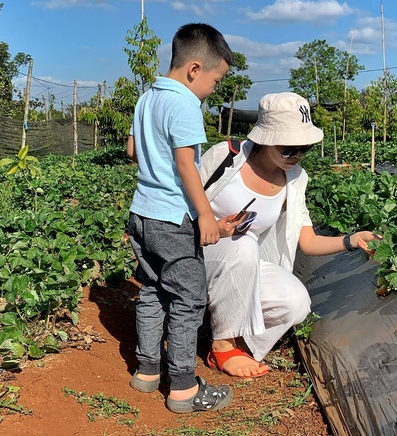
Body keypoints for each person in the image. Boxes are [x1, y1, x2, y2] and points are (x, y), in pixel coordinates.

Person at [200, 92, 382, 378]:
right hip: (200, 257)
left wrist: (352, 240)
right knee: (244, 243)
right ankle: (222, 345)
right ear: (266, 138)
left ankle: (237, 337)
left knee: (296, 302)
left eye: (304, 148)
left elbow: (306, 241)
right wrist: (213, 227)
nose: (296, 155)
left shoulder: (295, 178)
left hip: (244, 266)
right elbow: (182, 205)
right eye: (288, 149)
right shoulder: (226, 157)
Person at [126, 23, 245, 413]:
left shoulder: (147, 98)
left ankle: (146, 371)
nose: (215, 89)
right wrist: (206, 216)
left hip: (141, 212)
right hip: (171, 220)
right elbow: (185, 163)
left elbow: (132, 150)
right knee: (189, 299)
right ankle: (182, 388)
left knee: (152, 289)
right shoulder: (185, 104)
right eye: (217, 79)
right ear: (195, 69)